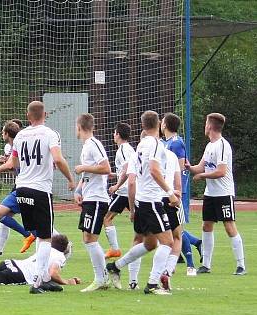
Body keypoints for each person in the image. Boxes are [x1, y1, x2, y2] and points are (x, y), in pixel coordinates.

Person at [105, 110, 178, 295]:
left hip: (140, 200)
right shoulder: (154, 143)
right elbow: (154, 170)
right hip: (152, 201)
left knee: (150, 243)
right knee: (168, 242)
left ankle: (116, 266)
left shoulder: (141, 144)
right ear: (160, 123)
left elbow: (134, 177)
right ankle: (152, 284)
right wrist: (170, 193)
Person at [10, 101, 76, 294]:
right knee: (47, 237)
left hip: (21, 188)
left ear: (28, 116)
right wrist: (70, 179)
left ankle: (45, 278)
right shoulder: (50, 134)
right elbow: (57, 158)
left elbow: (14, 162)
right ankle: (38, 282)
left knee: (39, 234)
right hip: (40, 190)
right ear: (45, 114)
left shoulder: (20, 136)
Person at [186, 113, 245, 275]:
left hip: (224, 193)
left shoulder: (222, 145)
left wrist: (202, 175)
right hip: (210, 194)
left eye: (206, 123)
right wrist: (189, 167)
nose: (204, 126)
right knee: (206, 225)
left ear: (210, 126)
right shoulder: (209, 146)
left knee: (229, 226)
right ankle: (206, 264)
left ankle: (241, 265)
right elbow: (200, 167)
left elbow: (220, 171)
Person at [0, 119, 35, 257]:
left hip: (27, 186)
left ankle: (33, 236)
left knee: (37, 220)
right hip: (22, 184)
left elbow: (11, 165)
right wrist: (7, 162)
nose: (1, 133)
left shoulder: (20, 145)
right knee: (5, 214)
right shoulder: (16, 146)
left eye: (3, 131)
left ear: (7, 133)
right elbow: (14, 167)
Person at [72, 114, 112, 292]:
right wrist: (79, 190)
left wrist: (83, 167)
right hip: (89, 197)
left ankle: (101, 278)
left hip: (97, 199)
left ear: (79, 127)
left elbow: (106, 168)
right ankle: (102, 276)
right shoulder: (87, 146)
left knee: (90, 238)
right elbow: (89, 174)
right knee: (87, 237)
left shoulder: (94, 144)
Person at [161, 113, 202, 276]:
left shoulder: (177, 143)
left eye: (162, 121)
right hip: (166, 192)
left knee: (178, 229)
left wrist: (176, 192)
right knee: (170, 228)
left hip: (176, 192)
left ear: (165, 125)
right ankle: (197, 243)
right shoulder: (165, 143)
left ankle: (190, 266)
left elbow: (181, 169)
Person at [102, 123, 135, 259]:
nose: (113, 135)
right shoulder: (130, 149)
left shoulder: (122, 150)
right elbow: (127, 169)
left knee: (106, 218)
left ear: (118, 135)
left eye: (114, 133)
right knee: (146, 220)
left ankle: (115, 249)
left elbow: (127, 169)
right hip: (131, 190)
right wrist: (115, 174)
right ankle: (172, 243)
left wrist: (116, 185)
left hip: (124, 191)